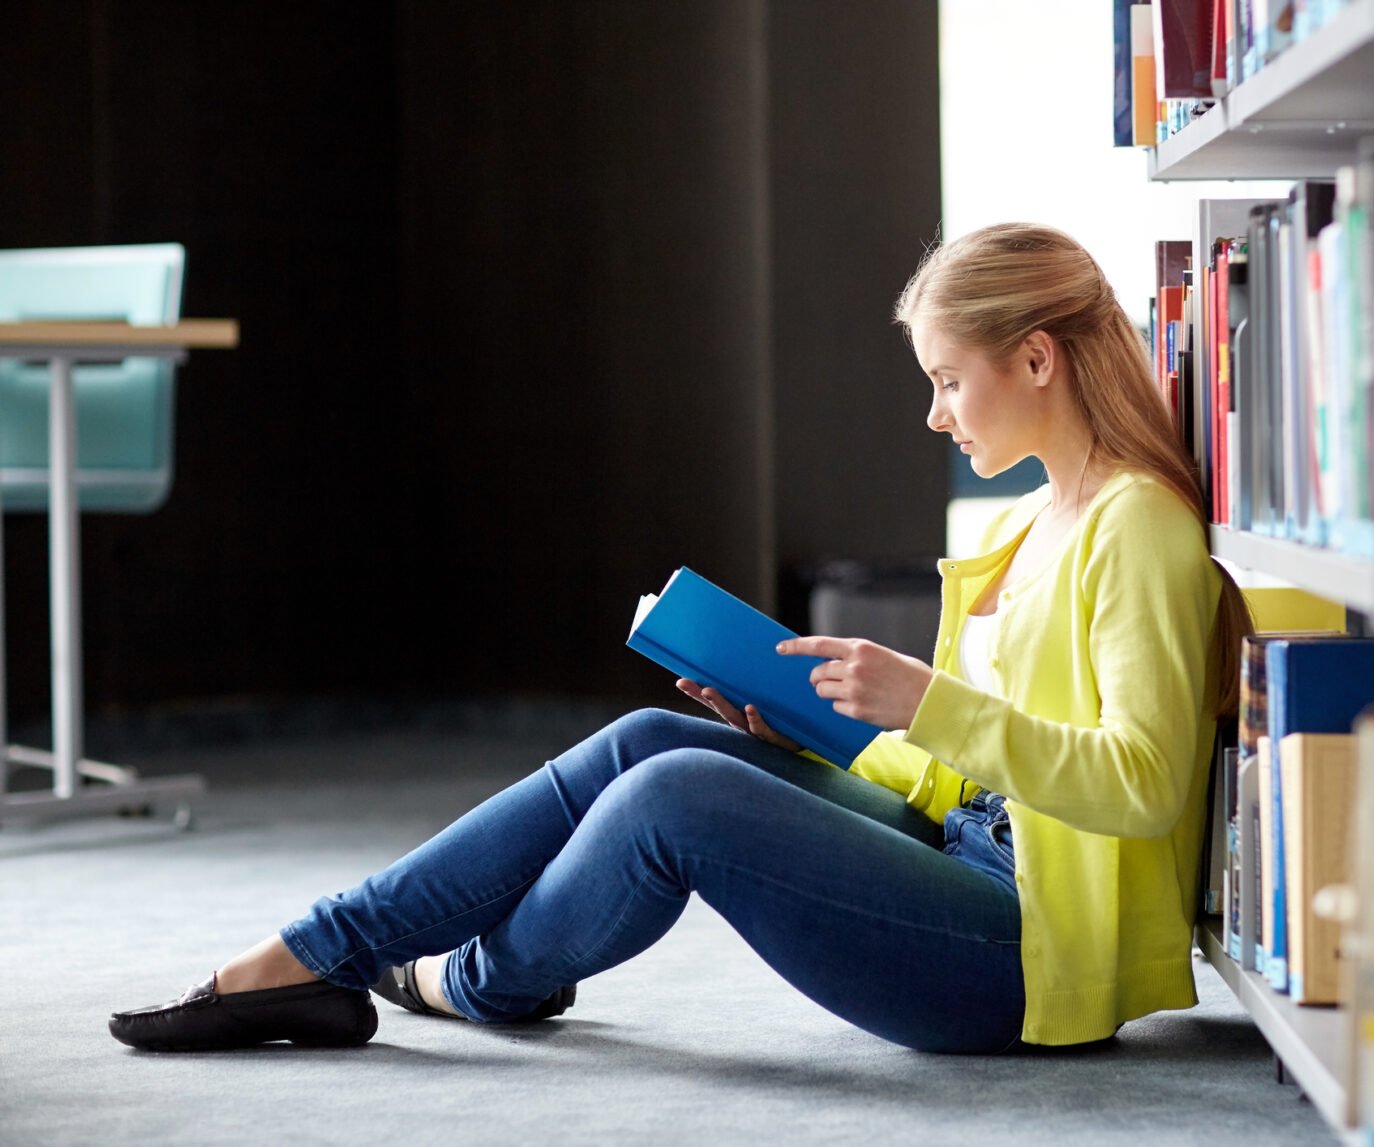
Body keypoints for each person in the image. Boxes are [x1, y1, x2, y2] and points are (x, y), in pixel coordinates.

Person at [109, 223, 1252, 1055]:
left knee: (676, 806)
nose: (935, 414)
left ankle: (465, 981)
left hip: (1029, 944)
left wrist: (923, 701)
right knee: (651, 741)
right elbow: (962, 767)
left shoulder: (1137, 526)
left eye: (950, 381)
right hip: (965, 844)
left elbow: (1144, 785)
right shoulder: (1030, 521)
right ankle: (320, 949)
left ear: (1038, 359)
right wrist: (805, 728)